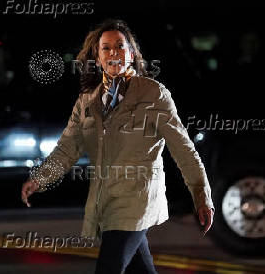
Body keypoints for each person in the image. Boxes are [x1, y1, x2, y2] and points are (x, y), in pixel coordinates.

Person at [21, 18, 215, 274]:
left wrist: (202, 196)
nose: (114, 52)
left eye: (120, 46)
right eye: (106, 48)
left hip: (137, 201)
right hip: (106, 203)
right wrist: (40, 178)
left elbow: (183, 149)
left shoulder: (153, 94)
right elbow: (68, 147)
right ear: (97, 57)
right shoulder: (87, 101)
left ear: (131, 54)